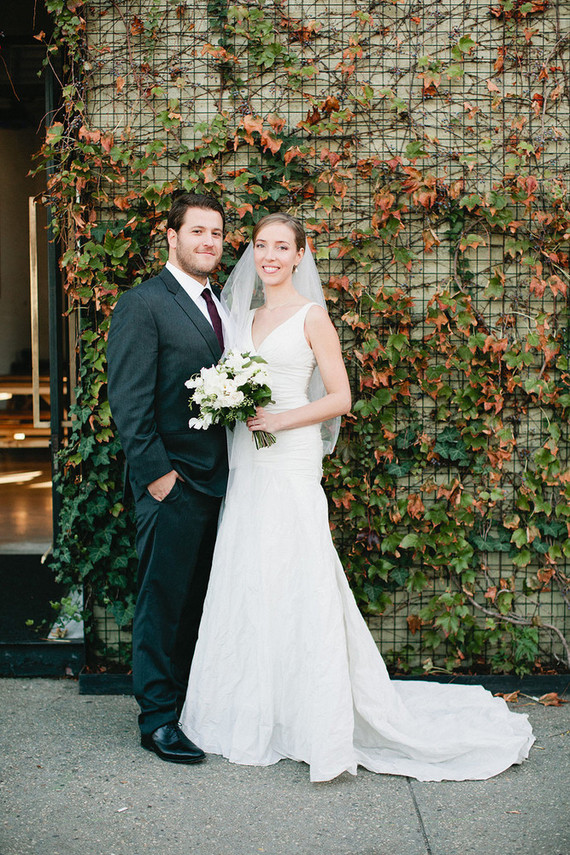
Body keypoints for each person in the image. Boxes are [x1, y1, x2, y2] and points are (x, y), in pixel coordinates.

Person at [178, 212, 535, 782]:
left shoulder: (312, 316)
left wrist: (282, 417)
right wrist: (228, 405)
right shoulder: (238, 317)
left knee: (300, 575)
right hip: (247, 463)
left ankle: (314, 716)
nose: (269, 255)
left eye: (282, 247)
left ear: (300, 254)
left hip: (290, 461)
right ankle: (253, 709)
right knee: (250, 573)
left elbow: (341, 398)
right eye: (261, 245)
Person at [107, 193, 229, 764]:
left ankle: (188, 708)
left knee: (201, 601)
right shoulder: (143, 304)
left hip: (221, 483)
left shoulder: (219, 304)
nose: (208, 242)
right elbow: (128, 403)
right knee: (162, 601)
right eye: (197, 231)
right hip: (173, 486)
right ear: (171, 235)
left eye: (216, 234)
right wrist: (159, 479)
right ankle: (157, 719)